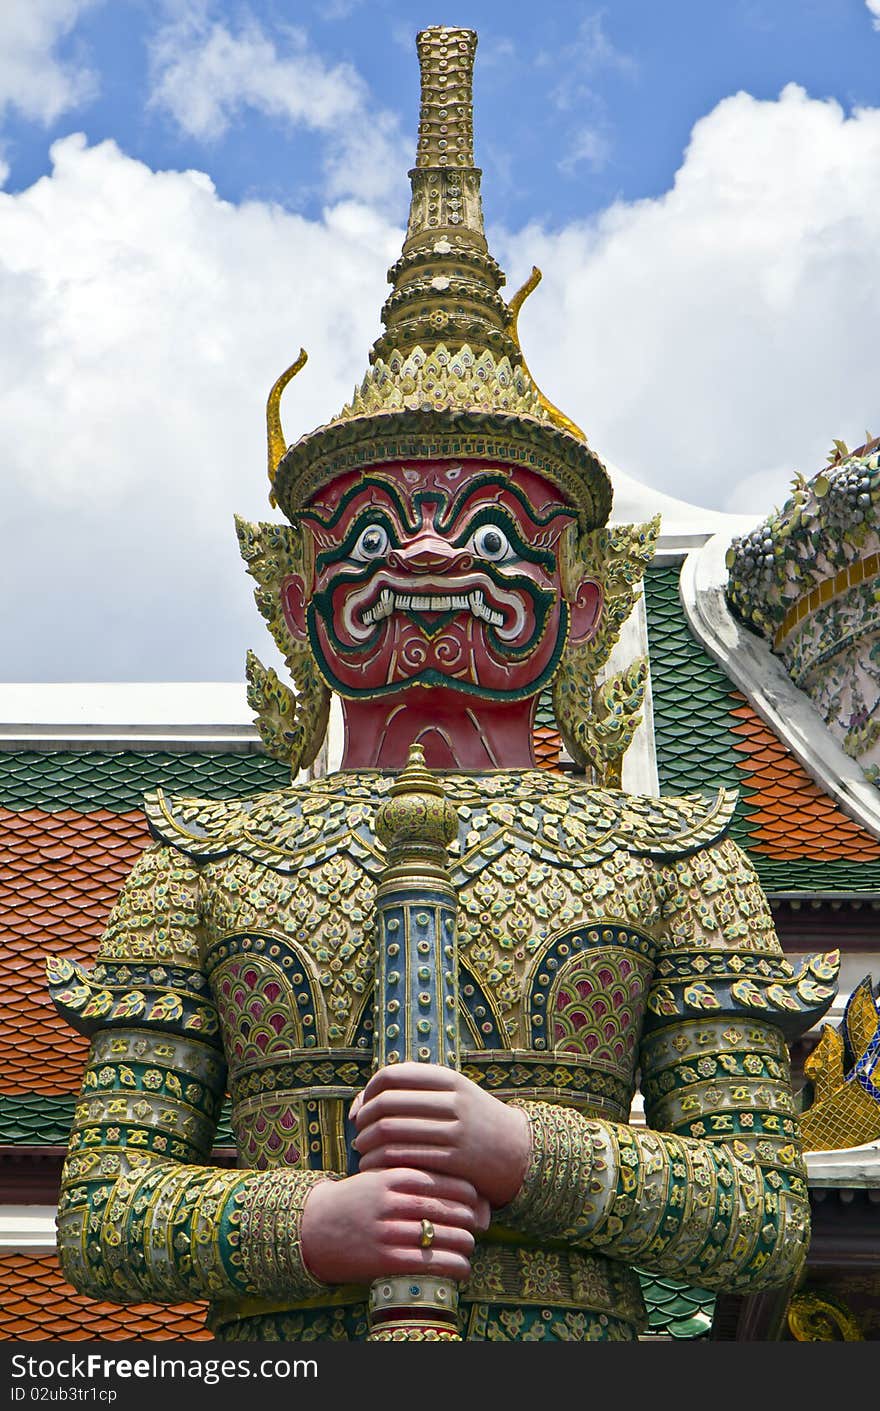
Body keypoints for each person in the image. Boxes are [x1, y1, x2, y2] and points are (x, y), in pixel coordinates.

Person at [48, 26, 837, 1342]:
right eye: (374, 523)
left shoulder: (669, 853)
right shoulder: (202, 861)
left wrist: (529, 1152)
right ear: (298, 596)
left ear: (581, 597)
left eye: (483, 527)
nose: (423, 551)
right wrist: (312, 1222)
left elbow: (762, 1207)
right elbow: (104, 1209)